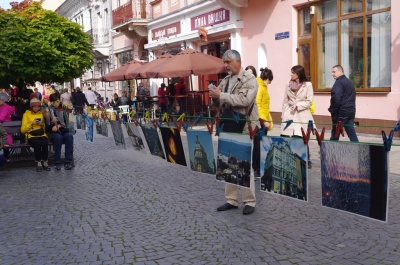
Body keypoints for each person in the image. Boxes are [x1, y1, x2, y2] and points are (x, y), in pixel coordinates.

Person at [209, 49, 259, 215]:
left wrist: (221, 95)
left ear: (238, 61)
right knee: (226, 161)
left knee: (244, 163)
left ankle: (249, 201)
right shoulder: (226, 80)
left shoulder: (250, 79)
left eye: (228, 62)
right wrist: (215, 95)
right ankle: (231, 199)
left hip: (245, 126)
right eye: (224, 62)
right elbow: (221, 99)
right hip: (228, 124)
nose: (226, 65)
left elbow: (245, 100)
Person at [280, 65, 315, 168]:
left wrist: (298, 105)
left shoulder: (307, 85)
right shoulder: (288, 84)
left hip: (302, 115)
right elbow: (285, 101)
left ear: (299, 74)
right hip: (289, 115)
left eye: (293, 72)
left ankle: (306, 159)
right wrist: (283, 115)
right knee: (286, 137)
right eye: (291, 72)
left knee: (301, 137)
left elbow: (309, 102)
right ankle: (289, 159)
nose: (291, 74)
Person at [20, 93, 50, 172]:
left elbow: (45, 126)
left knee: (44, 142)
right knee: (37, 143)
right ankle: (38, 162)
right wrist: (31, 123)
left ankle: (45, 161)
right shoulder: (26, 114)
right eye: (35, 107)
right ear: (31, 106)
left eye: (38, 107)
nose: (36, 108)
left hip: (41, 133)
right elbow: (22, 130)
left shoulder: (41, 113)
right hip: (31, 135)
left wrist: (41, 124)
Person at [329, 65, 359, 142]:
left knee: (335, 133)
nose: (332, 74)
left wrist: (333, 110)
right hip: (350, 112)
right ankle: (358, 150)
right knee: (351, 133)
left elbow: (336, 98)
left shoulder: (339, 83)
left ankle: (329, 150)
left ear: (340, 72)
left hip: (341, 113)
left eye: (334, 72)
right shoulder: (350, 82)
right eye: (332, 72)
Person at [254, 67, 274, 177]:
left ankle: (259, 168)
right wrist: (263, 121)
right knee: (259, 146)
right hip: (260, 122)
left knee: (261, 145)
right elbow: (258, 105)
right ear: (269, 79)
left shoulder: (262, 87)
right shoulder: (261, 88)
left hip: (263, 120)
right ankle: (257, 170)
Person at [47, 93, 74, 170]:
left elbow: (69, 124)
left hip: (63, 131)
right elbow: (46, 125)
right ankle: (57, 163)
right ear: (51, 102)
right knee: (58, 138)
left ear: (60, 100)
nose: (56, 103)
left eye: (57, 101)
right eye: (54, 102)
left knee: (69, 136)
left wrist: (60, 125)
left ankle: (68, 162)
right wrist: (52, 127)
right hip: (53, 133)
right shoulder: (48, 110)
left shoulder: (64, 109)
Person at [0, 92, 15, 161]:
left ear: (3, 100)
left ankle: (5, 158)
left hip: (4, 132)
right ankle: (6, 157)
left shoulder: (4, 108)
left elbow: (1, 118)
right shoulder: (7, 107)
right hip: (7, 131)